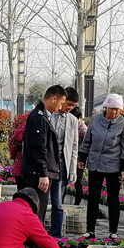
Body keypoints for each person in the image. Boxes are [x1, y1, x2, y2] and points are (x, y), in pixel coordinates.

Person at [78, 93, 124, 240]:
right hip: (95, 164)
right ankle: (90, 230)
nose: (114, 112)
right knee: (93, 198)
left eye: (117, 109)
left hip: (114, 166)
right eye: (112, 108)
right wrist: (82, 159)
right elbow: (87, 141)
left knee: (113, 198)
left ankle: (113, 231)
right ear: (105, 107)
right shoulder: (95, 120)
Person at [17, 85, 66, 225]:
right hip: (37, 174)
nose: (61, 107)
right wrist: (43, 173)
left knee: (38, 213)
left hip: (39, 172)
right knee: (37, 214)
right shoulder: (38, 118)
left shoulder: (42, 116)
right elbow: (39, 148)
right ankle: (34, 239)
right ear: (53, 99)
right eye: (61, 103)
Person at [47, 87, 79, 237]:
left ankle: (55, 234)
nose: (70, 108)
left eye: (73, 106)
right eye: (69, 104)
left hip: (62, 163)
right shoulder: (49, 115)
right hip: (47, 162)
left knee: (57, 201)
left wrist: (72, 170)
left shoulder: (73, 120)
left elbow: (74, 147)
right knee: (41, 200)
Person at [70, 106, 87, 206]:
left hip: (79, 158)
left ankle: (77, 203)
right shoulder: (73, 126)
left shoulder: (83, 130)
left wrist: (80, 160)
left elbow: (85, 147)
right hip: (71, 157)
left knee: (78, 181)